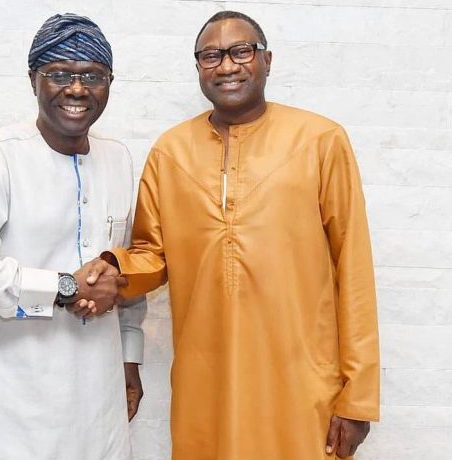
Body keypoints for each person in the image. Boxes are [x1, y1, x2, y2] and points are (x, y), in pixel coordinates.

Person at [91, 10, 380, 460]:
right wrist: (113, 269)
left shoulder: (320, 141)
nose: (227, 65)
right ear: (198, 67)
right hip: (206, 384)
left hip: (302, 384)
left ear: (267, 60)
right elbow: (151, 253)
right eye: (211, 56)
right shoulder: (171, 152)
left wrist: (357, 397)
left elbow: (354, 270)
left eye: (241, 51)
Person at [0, 13, 146, 460]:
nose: (77, 89)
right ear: (33, 80)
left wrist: (130, 357)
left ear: (110, 83)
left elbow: (122, 263)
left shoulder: (118, 160)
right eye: (59, 74)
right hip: (14, 409)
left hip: (100, 404)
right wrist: (64, 286)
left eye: (93, 76)